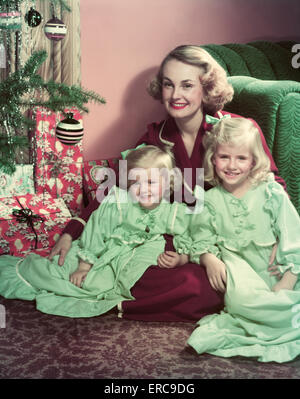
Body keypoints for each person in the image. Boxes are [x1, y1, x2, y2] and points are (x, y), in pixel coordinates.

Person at [49, 45, 285, 322]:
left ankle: (134, 302)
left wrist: (278, 239)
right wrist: (70, 232)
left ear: (206, 88)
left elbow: (272, 185)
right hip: (178, 238)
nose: (176, 95)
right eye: (168, 85)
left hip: (234, 235)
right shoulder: (153, 138)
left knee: (223, 285)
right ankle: (122, 301)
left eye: (187, 85)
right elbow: (114, 190)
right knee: (172, 278)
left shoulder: (238, 130)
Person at [0, 146, 194, 318]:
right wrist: (84, 265)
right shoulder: (119, 203)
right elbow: (96, 232)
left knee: (99, 284)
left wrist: (182, 258)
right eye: (135, 183)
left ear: (168, 184)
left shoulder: (171, 211)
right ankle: (34, 272)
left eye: (150, 182)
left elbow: (187, 233)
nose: (143, 189)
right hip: (102, 247)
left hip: (129, 255)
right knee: (63, 269)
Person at [187, 117, 300, 363]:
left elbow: (293, 234)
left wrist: (289, 279)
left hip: (276, 265)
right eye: (224, 157)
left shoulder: (270, 191)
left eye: (241, 158)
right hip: (242, 270)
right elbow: (200, 235)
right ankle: (273, 313)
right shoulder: (211, 200)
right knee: (242, 301)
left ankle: (283, 310)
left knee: (288, 296)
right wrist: (208, 258)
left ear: (253, 161)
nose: (232, 165)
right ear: (213, 159)